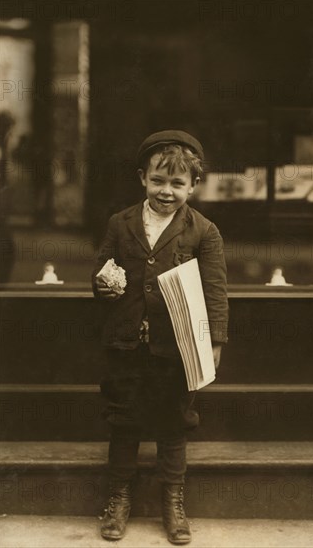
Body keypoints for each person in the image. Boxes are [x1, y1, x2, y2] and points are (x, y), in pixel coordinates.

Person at [92, 130, 228, 544]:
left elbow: (215, 292)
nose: (166, 192)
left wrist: (214, 341)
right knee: (124, 420)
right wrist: (103, 283)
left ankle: (173, 502)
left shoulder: (203, 231)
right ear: (142, 178)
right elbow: (101, 269)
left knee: (174, 422)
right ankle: (118, 499)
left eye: (177, 184)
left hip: (177, 345)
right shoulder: (122, 223)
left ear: (194, 185)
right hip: (127, 343)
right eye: (157, 182)